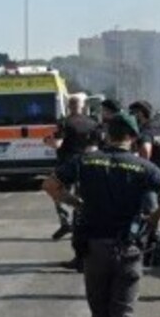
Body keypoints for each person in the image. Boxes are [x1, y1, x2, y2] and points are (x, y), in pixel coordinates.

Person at [43, 114, 160, 317]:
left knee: (99, 312)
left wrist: (76, 203)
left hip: (94, 246)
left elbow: (50, 185)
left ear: (108, 133)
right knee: (123, 313)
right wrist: (151, 219)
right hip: (128, 248)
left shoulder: (84, 161)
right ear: (132, 137)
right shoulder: (143, 166)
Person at [51, 95, 101, 273]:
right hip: (87, 165)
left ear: (69, 106)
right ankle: (78, 216)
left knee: (57, 192)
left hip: (67, 166)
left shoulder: (64, 122)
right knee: (82, 199)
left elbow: (57, 143)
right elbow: (95, 147)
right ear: (83, 106)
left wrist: (47, 141)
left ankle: (65, 219)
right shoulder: (93, 122)